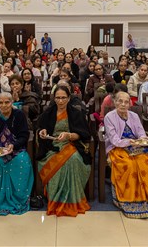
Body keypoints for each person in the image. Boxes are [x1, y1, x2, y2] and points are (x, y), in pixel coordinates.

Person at [103, 91, 148, 219]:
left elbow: (141, 132)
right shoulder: (109, 117)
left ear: (130, 104)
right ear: (115, 102)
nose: (123, 104)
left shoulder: (134, 116)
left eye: (126, 102)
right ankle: (129, 200)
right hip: (117, 148)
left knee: (147, 162)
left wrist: (142, 139)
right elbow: (114, 140)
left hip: (135, 147)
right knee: (128, 165)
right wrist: (129, 142)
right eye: (120, 101)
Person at [36, 85, 92, 217]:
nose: (60, 101)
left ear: (69, 98)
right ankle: (55, 199)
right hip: (51, 146)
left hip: (72, 144)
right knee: (57, 162)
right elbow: (39, 129)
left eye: (63, 98)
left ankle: (72, 200)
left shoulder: (76, 114)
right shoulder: (48, 113)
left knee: (73, 160)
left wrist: (69, 135)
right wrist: (42, 132)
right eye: (58, 98)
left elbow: (83, 135)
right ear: (54, 98)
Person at [0, 92, 32, 215]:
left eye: (7, 102)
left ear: (12, 103)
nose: (4, 105)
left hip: (16, 148)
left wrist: (13, 145)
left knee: (22, 161)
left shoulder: (19, 115)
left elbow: (24, 135)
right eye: (0, 102)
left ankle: (19, 198)